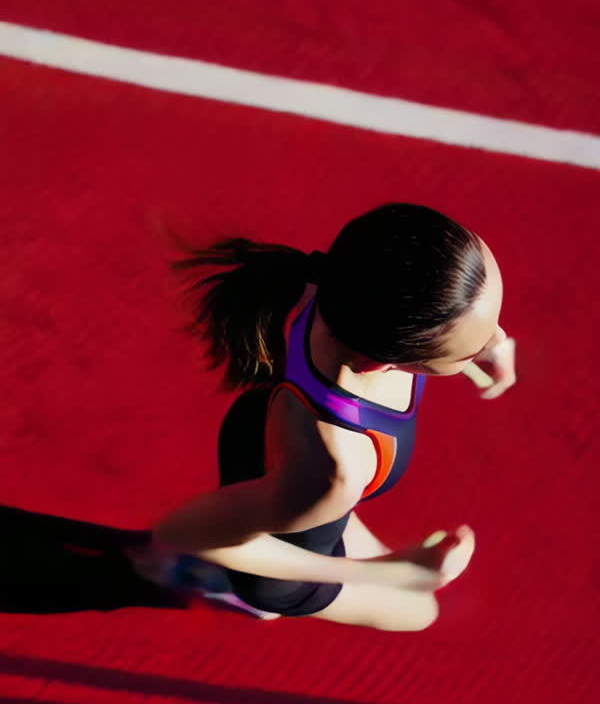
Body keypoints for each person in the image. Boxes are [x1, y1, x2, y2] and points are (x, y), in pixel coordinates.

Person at [131, 203, 516, 631]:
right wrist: (387, 572)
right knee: (421, 610)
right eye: (470, 348)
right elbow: (181, 530)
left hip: (268, 447)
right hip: (286, 537)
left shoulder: (342, 285)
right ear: (380, 363)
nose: (499, 339)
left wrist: (481, 338)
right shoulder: (341, 468)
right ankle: (231, 588)